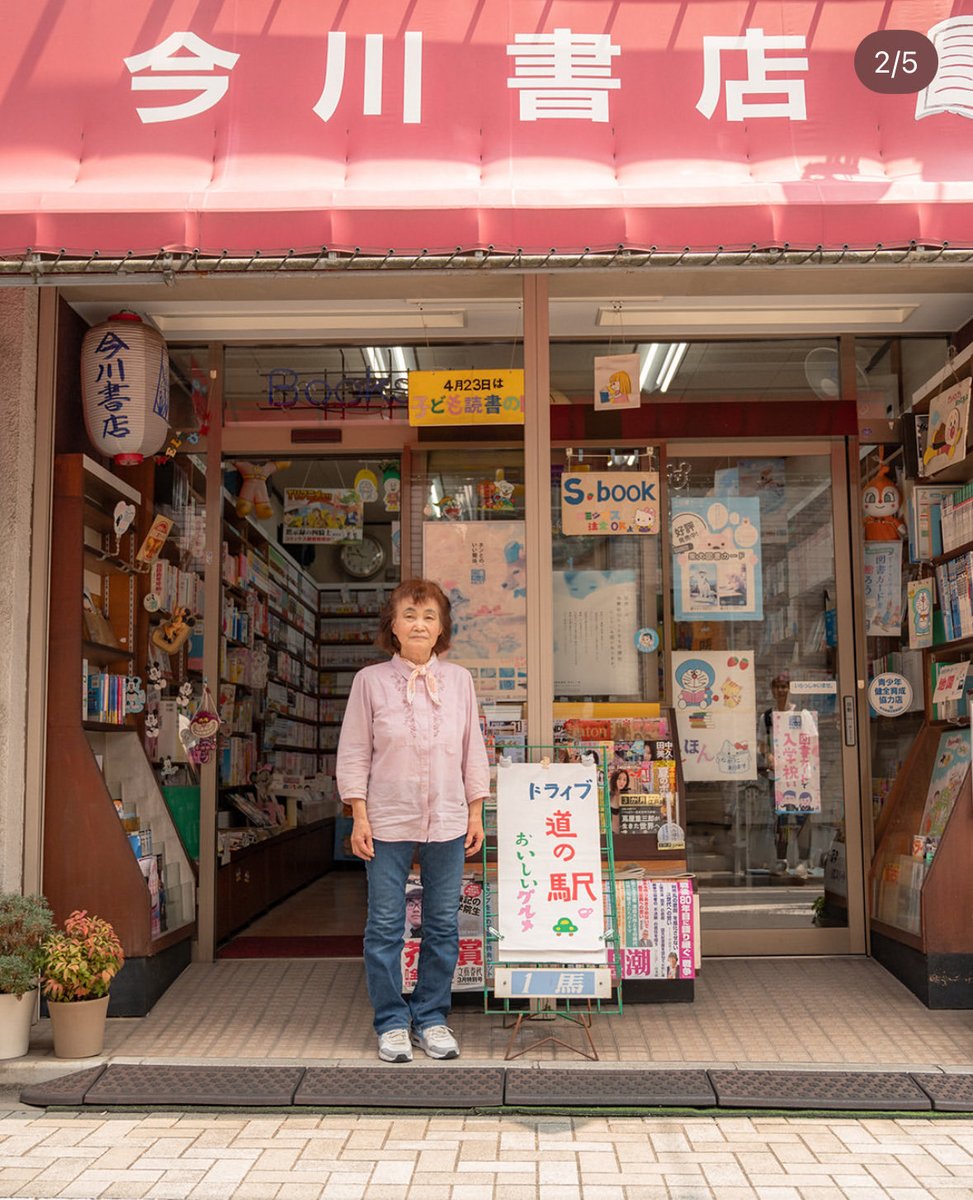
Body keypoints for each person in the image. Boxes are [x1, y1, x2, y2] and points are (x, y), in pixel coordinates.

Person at [336, 578, 490, 1064]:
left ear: (441, 626)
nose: (419, 624)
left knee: (442, 924)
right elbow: (355, 750)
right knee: (385, 924)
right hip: (386, 819)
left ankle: (432, 1017)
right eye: (409, 615)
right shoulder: (370, 682)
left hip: (447, 817)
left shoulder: (460, 681)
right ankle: (391, 1021)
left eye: (428, 616)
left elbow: (474, 749)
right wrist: (357, 813)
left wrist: (475, 810)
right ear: (393, 626)